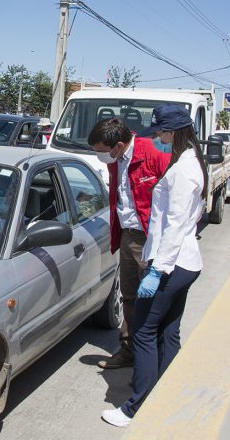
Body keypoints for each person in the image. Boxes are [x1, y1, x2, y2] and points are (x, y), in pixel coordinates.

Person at [101, 104, 207, 428]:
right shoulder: (190, 163)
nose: (157, 137)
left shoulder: (183, 170)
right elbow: (193, 217)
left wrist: (157, 270)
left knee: (145, 332)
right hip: (184, 262)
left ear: (172, 132)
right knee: (168, 332)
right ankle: (166, 393)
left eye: (160, 132)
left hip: (173, 265)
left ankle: (136, 406)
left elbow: (175, 225)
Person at [88, 117, 170, 371]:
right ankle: (129, 350)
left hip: (150, 237)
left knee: (150, 300)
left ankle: (152, 358)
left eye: (101, 152)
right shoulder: (117, 159)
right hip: (127, 234)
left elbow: (176, 195)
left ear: (119, 145)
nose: (99, 157)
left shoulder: (154, 153)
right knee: (130, 296)